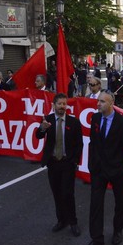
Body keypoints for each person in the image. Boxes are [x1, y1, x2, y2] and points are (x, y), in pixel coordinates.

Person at [79, 90, 123, 245]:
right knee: (95, 204)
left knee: (120, 202)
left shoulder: (122, 122)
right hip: (98, 170)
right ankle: (97, 240)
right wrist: (91, 165)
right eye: (98, 101)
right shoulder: (95, 118)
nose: (98, 104)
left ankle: (117, 230)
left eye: (102, 101)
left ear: (111, 103)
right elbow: (93, 143)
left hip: (116, 170)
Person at [36, 93, 83, 237]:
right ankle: (61, 220)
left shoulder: (74, 122)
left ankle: (73, 222)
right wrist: (42, 128)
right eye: (60, 104)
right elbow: (38, 136)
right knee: (57, 193)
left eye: (64, 104)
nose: (62, 106)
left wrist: (74, 161)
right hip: (53, 163)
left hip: (67, 163)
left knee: (68, 193)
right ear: (54, 105)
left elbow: (79, 144)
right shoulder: (48, 120)